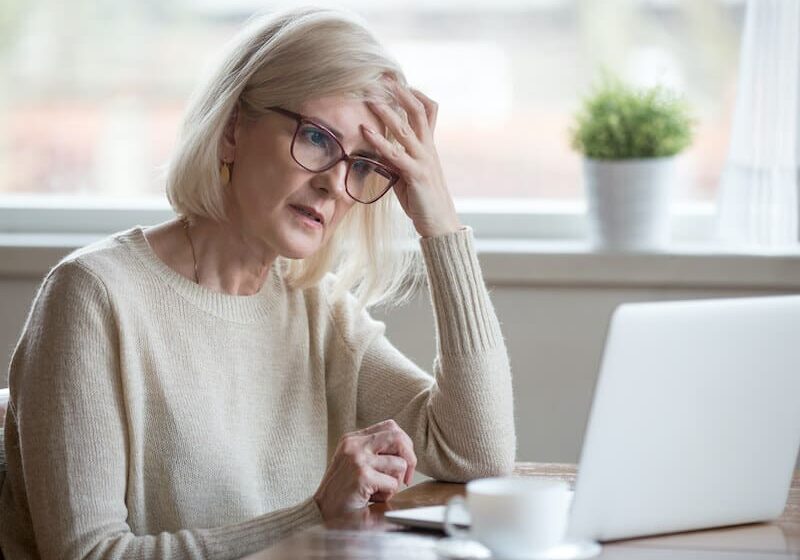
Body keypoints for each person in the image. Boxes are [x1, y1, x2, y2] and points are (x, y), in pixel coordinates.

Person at [0, 7, 516, 559]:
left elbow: (477, 450)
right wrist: (311, 518)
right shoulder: (92, 297)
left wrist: (437, 217)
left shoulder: (319, 310)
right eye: (317, 138)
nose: (336, 185)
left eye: (364, 165)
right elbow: (86, 555)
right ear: (230, 132)